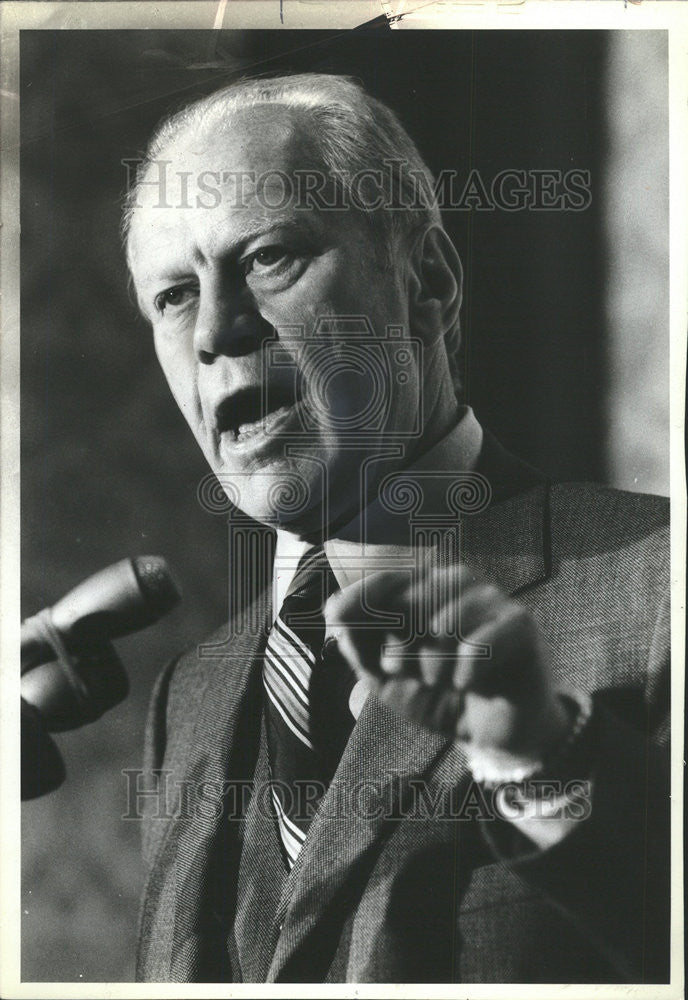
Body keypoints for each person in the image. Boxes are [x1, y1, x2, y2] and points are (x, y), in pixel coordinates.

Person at [124, 74, 670, 983]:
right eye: (175, 296)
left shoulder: (659, 585)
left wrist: (542, 755)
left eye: (267, 257)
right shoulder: (188, 699)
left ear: (429, 282)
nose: (217, 330)